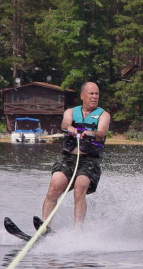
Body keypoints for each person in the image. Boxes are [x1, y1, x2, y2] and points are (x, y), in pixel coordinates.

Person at [41, 81, 111, 227]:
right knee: (55, 186)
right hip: (69, 158)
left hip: (90, 161)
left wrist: (91, 133)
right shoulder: (71, 112)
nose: (94, 97)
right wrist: (70, 127)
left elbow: (102, 132)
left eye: (96, 94)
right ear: (82, 96)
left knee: (80, 187)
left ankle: (77, 231)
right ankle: (44, 227)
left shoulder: (104, 115)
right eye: (91, 93)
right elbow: (64, 124)